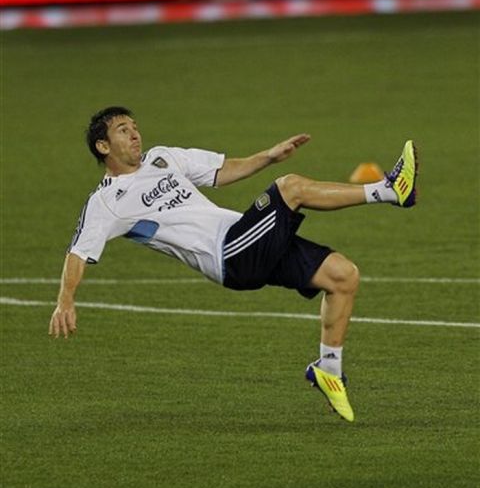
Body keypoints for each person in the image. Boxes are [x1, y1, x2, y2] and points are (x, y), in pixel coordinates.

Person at [49, 106, 418, 422]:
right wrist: (66, 298)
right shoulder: (108, 201)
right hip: (228, 255)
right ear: (103, 146)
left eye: (134, 127)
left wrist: (268, 156)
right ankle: (389, 190)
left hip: (244, 237)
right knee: (290, 187)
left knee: (343, 276)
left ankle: (328, 369)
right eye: (122, 130)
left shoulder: (163, 158)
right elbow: (78, 252)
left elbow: (223, 171)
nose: (135, 135)